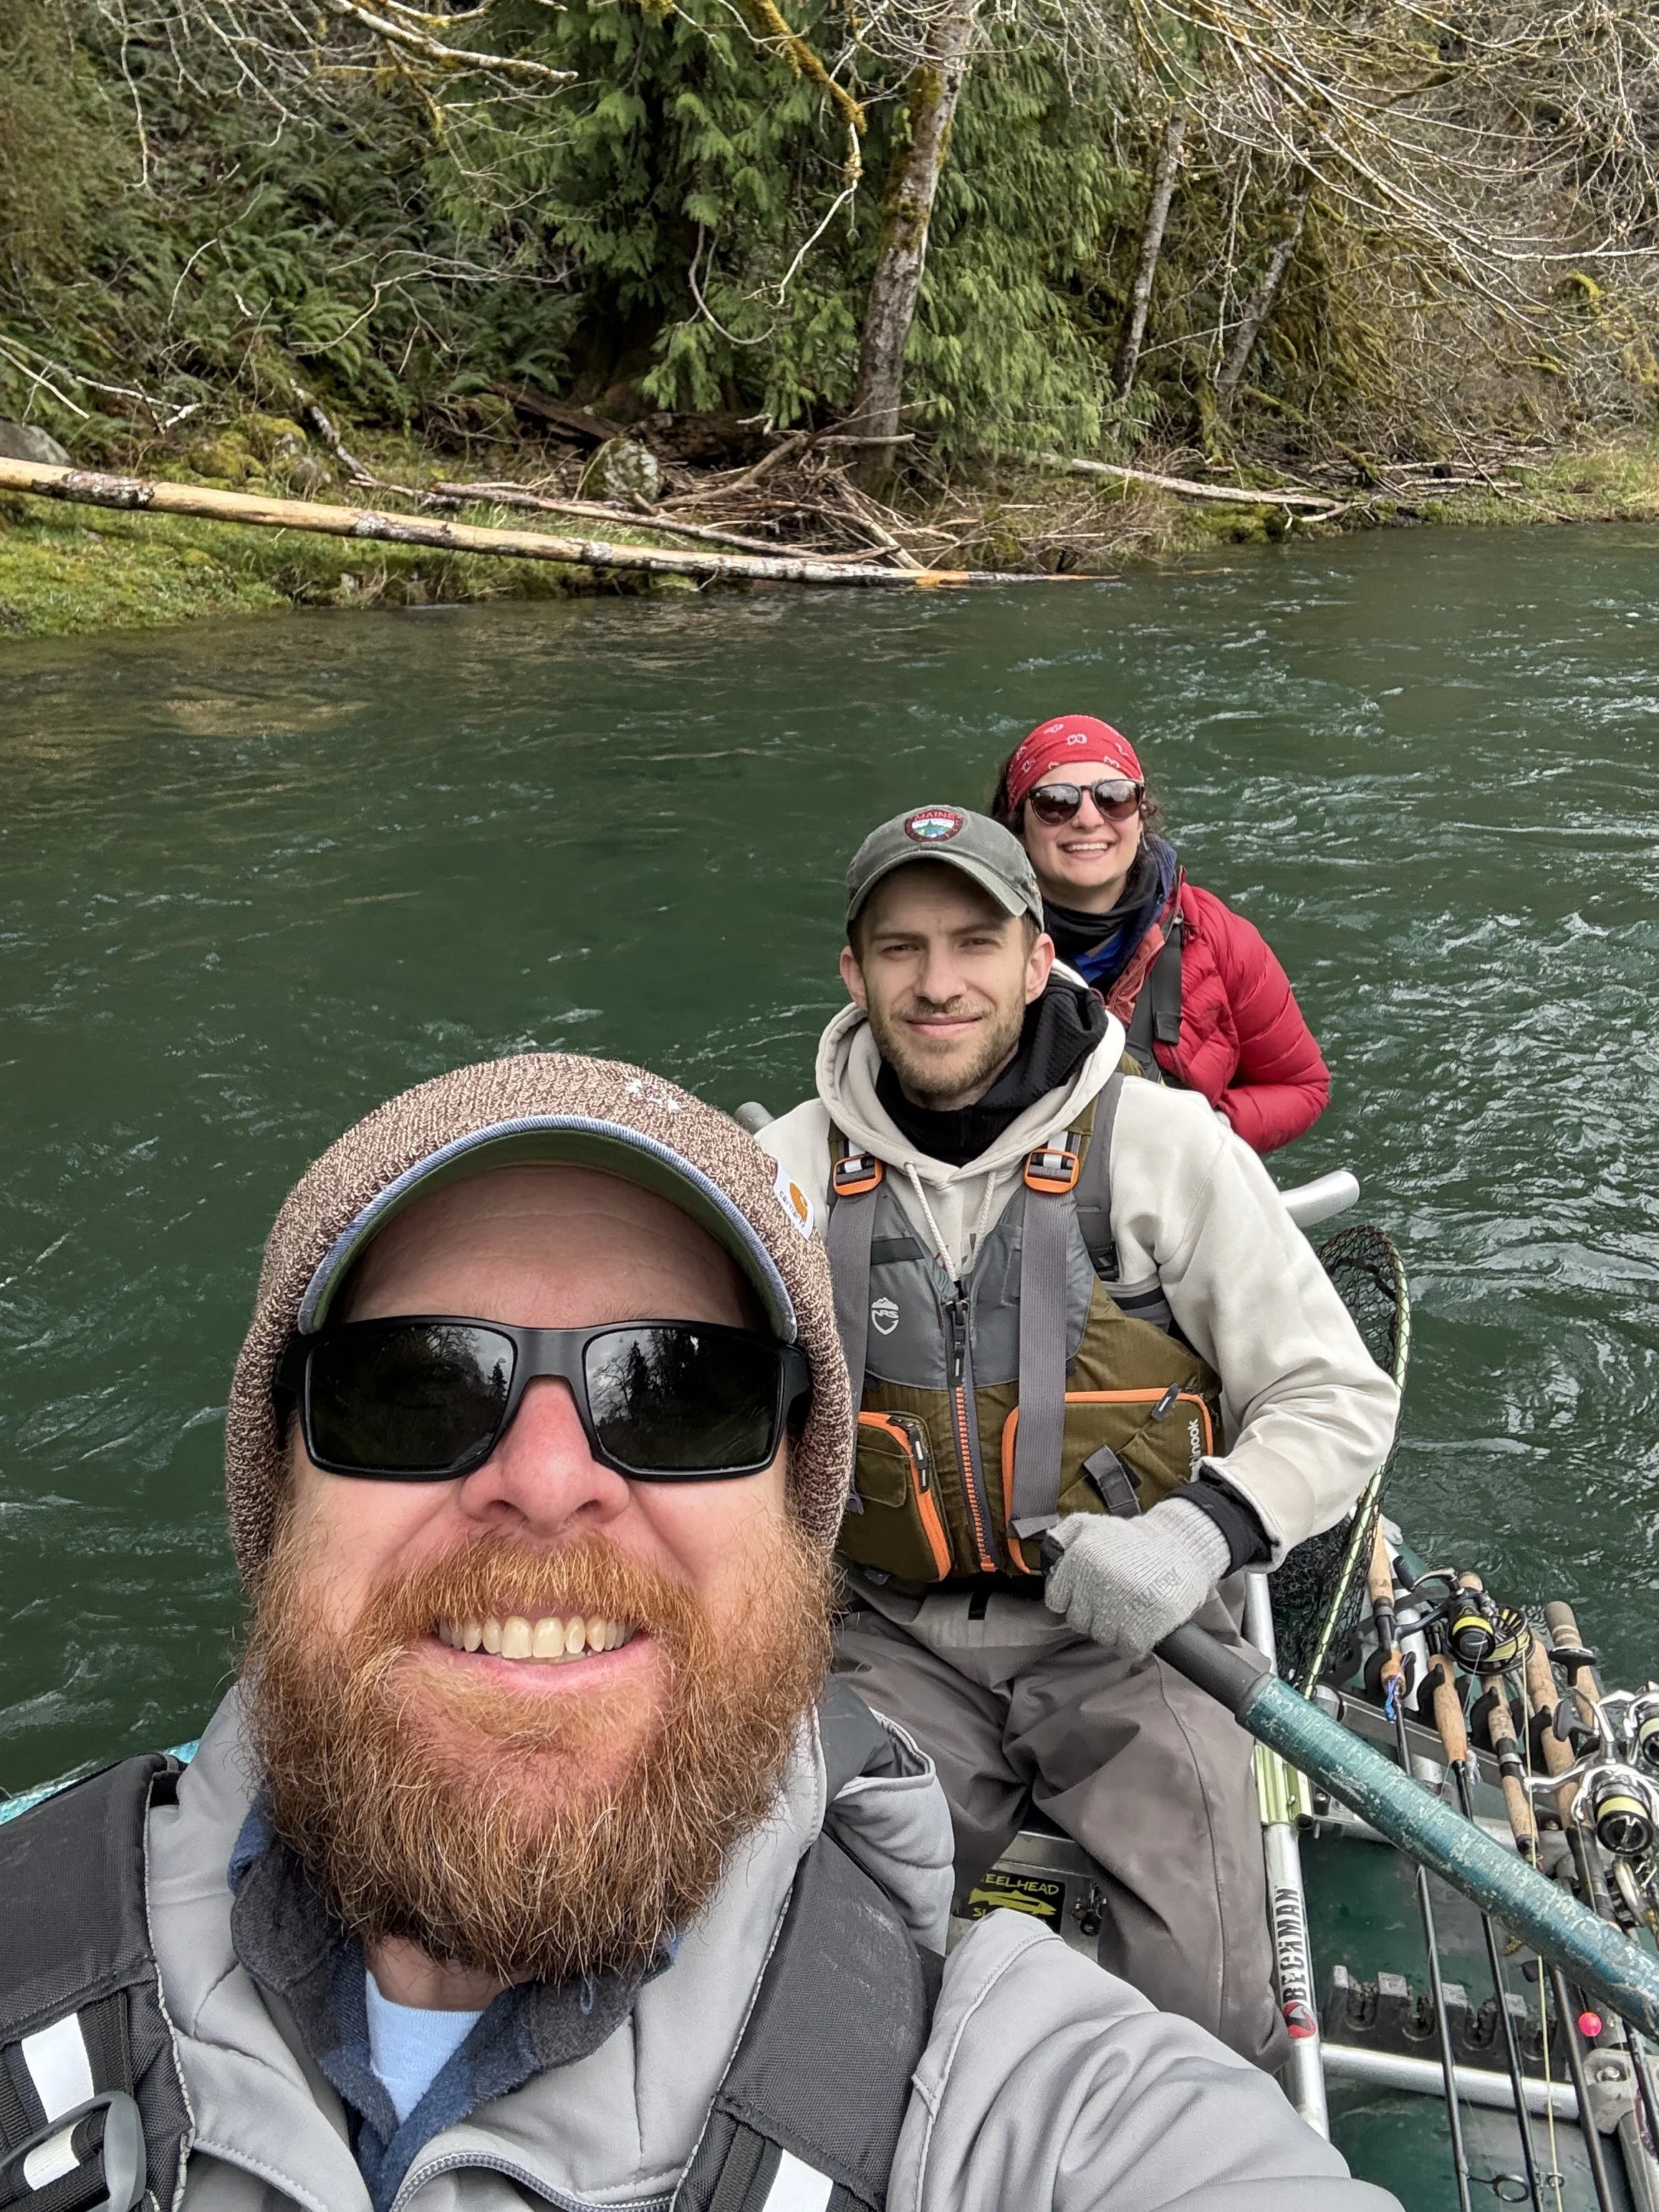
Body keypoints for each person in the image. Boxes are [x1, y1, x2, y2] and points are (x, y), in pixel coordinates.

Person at [0, 1050, 1400, 2212]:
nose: (547, 1481)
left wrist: (1206, 1526)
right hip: (921, 1621)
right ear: (277, 1492)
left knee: (1209, 1932)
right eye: (417, 1390)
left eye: (683, 1396)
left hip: (1117, 1611)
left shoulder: (1014, 2095)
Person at [758, 809, 1400, 2069]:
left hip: (1145, 1645)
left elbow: (1334, 1393)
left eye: (972, 943)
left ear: (1035, 953)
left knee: (1208, 2004)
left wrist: (1199, 1531)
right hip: (887, 1637)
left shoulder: (1166, 1148)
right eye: (899, 948)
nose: (937, 982)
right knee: (814, 1976)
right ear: (853, 971)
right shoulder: (779, 1172)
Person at [991, 713, 1329, 1153]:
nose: (1089, 819)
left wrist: (1209, 1131)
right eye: (1057, 802)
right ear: (1018, 824)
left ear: (1140, 815)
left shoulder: (1216, 934)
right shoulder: (973, 940)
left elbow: (1302, 1086)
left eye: (1114, 798)